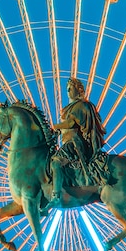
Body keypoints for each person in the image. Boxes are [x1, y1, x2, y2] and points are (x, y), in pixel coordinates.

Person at [45, 77, 106, 210]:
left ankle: (55, 196)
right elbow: (65, 128)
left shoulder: (81, 106)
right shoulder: (71, 108)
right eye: (66, 89)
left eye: (70, 88)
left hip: (75, 144)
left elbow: (72, 123)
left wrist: (54, 127)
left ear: (78, 90)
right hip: (68, 142)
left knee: (56, 162)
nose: (67, 91)